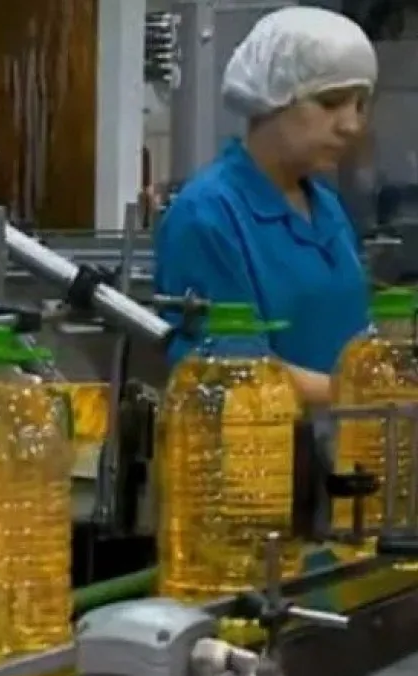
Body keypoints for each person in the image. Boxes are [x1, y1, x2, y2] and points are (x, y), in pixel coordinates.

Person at [154, 7, 377, 405]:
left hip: (345, 450)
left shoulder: (326, 208)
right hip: (260, 454)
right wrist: (369, 403)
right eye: (330, 103)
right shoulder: (207, 215)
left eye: (359, 106)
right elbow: (233, 371)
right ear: (270, 97)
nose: (351, 125)